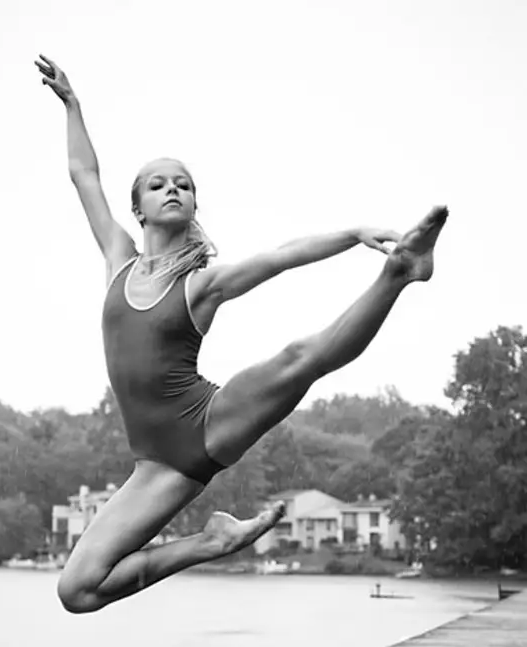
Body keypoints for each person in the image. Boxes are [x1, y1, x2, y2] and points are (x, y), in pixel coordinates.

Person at [35, 54, 448, 613]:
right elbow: (84, 175)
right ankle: (214, 541)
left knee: (300, 358)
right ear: (137, 208)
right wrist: (73, 105)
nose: (172, 189)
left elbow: (280, 257)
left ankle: (399, 271)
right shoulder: (117, 261)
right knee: (76, 591)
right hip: (150, 467)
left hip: (204, 425)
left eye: (183, 183)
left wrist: (354, 233)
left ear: (195, 202)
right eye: (157, 185)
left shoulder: (201, 283)